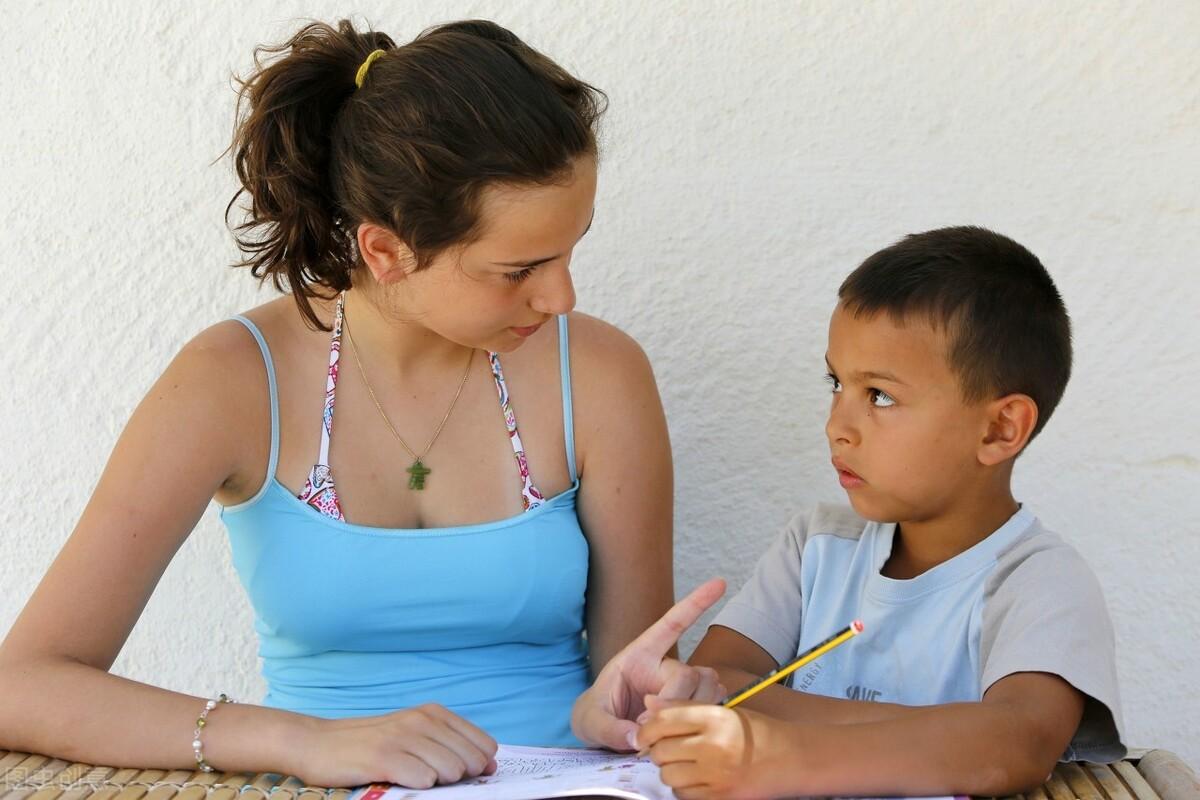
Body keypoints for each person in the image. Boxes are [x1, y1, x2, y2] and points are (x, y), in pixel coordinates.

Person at [0, 18, 721, 790]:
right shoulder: (233, 382)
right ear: (386, 250)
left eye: (572, 249)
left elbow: (631, 677)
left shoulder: (601, 374)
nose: (561, 295)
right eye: (518, 269)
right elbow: (23, 683)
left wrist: (651, 702)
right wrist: (302, 742)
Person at [636, 227, 1126, 799]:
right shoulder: (815, 546)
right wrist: (937, 735)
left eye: (880, 396)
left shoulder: (1039, 581)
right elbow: (718, 683)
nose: (836, 426)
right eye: (836, 383)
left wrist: (786, 751)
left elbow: (1014, 745)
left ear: (1000, 428)